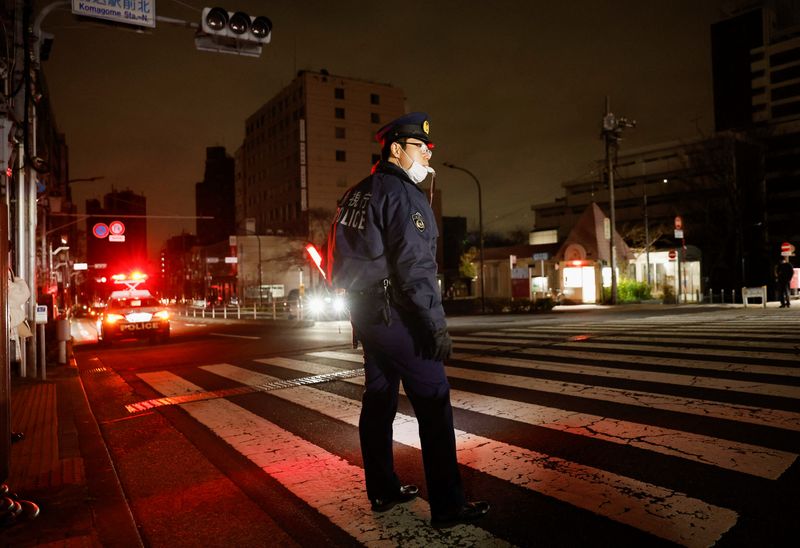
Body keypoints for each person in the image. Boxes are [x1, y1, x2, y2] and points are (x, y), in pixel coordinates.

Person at [326, 112, 489, 528]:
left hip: (364, 312)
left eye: (429, 148)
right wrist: (435, 326)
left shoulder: (355, 195)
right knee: (434, 401)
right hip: (396, 313)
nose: (428, 156)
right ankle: (449, 506)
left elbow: (336, 260)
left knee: (379, 399)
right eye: (420, 147)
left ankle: (382, 489)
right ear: (396, 149)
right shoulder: (405, 197)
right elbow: (416, 269)